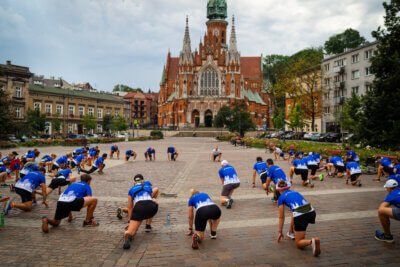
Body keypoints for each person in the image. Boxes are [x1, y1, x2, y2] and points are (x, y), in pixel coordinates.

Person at [276, 180, 321, 257]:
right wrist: (291, 229)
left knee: (299, 243)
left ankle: (311, 241)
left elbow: (281, 217)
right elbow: (293, 213)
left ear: (278, 189)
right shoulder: (295, 192)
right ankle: (293, 232)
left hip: (300, 215)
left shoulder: (281, 198)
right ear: (288, 187)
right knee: (299, 221)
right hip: (311, 211)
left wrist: (280, 231)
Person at [123, 174, 159, 250]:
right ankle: (148, 225)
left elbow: (130, 207)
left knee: (134, 228)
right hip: (152, 207)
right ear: (143, 181)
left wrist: (130, 221)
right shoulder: (148, 187)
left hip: (139, 207)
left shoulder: (131, 189)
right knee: (154, 201)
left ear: (134, 182)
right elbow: (152, 195)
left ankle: (129, 233)